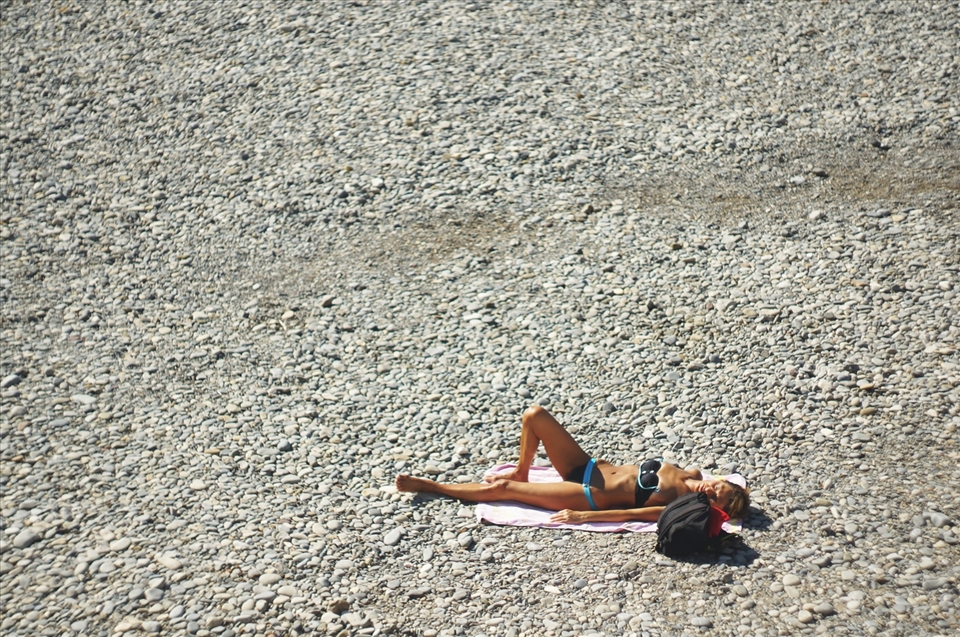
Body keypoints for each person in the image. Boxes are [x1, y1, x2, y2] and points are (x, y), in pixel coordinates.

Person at [395, 405, 750, 523]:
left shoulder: (677, 504)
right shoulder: (693, 475)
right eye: (719, 486)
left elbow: (628, 516)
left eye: (715, 497)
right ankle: (522, 469)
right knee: (535, 415)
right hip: (589, 466)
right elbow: (712, 480)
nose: (711, 489)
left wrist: (583, 516)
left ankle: (431, 487)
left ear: (713, 508)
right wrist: (723, 487)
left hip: (586, 493)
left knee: (500, 490)